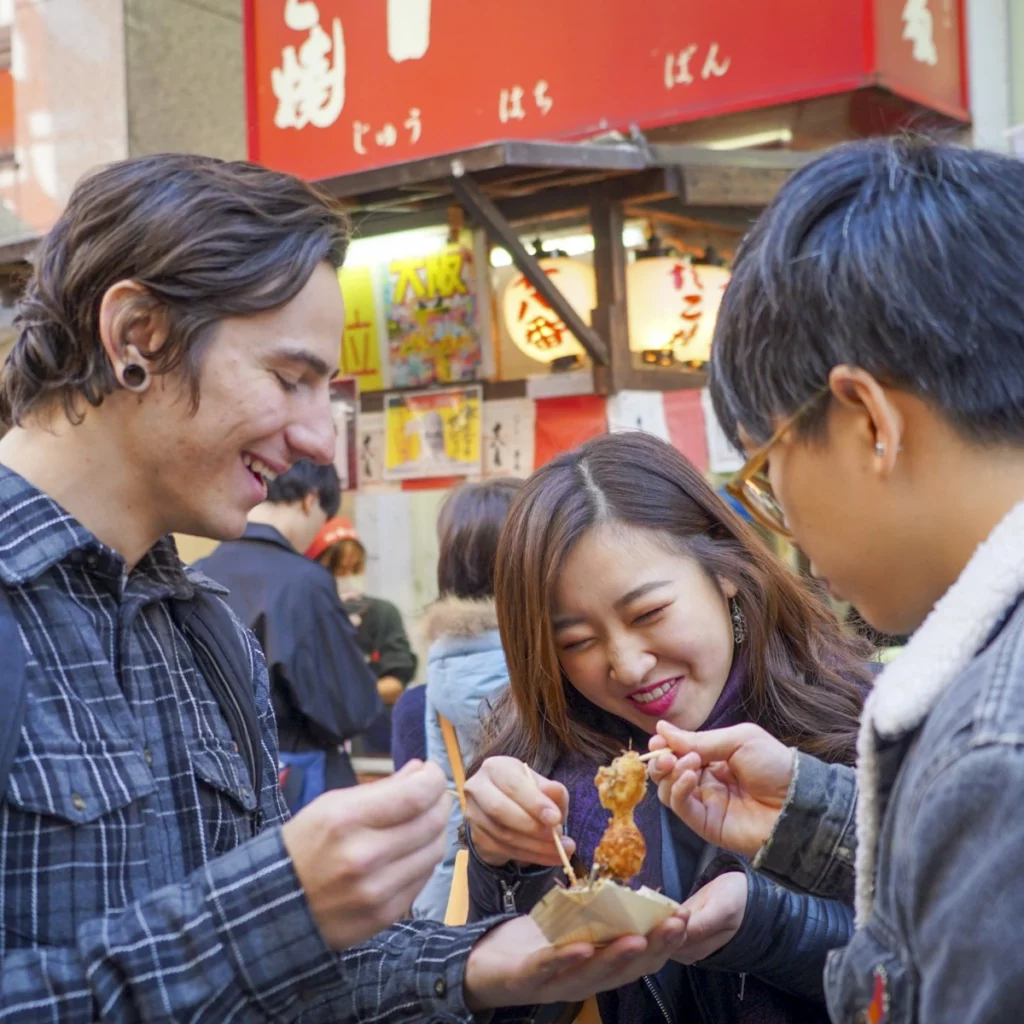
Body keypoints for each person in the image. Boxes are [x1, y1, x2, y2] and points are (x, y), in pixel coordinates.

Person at [0, 151, 692, 1020]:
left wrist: (476, 965)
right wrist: (268, 915)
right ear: (138, 336)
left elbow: (289, 983)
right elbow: (252, 947)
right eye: (289, 378)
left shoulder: (203, 630)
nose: (321, 437)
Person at [648, 135, 1024, 1023]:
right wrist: (813, 814)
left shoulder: (993, 754)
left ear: (866, 421)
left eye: (765, 470)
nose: (791, 534)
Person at [463, 431, 871, 1023]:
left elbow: (944, 955)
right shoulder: (543, 771)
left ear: (724, 571)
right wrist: (501, 864)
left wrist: (766, 922)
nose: (627, 664)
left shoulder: (866, 727)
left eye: (649, 613)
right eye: (576, 641)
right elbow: (516, 1013)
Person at [198, 463, 380, 800]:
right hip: (295, 784)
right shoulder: (304, 583)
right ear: (310, 501)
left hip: (215, 781)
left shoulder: (199, 573)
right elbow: (350, 709)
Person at [414, 477, 522, 919]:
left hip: (470, 895)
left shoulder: (443, 667)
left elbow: (449, 800)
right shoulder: (546, 661)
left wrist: (437, 911)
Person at [307, 516, 418, 755]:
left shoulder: (382, 614)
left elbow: (396, 683)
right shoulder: (306, 617)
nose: (347, 576)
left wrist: (345, 698)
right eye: (338, 569)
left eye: (355, 568)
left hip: (375, 740)